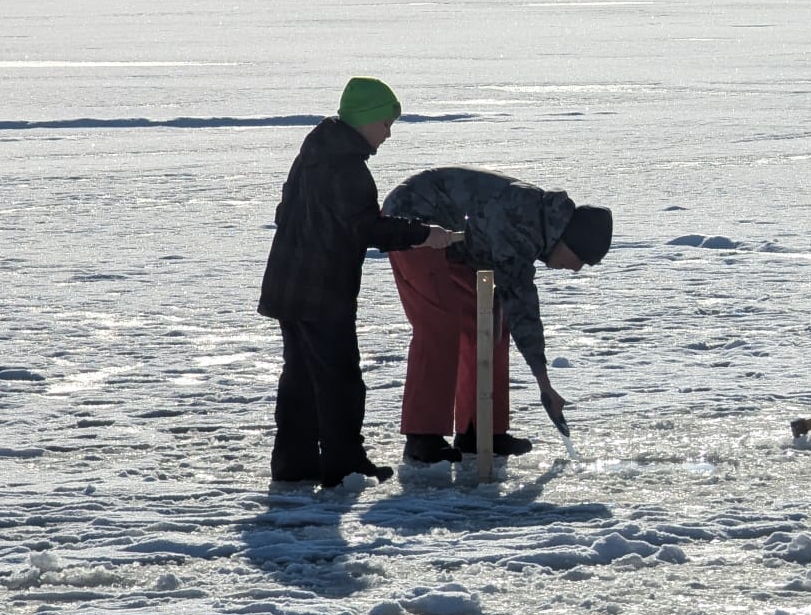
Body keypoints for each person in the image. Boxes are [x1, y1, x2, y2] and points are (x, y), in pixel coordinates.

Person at [258, 77, 460, 487]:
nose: (388, 134)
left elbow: (289, 213)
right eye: (385, 124)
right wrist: (425, 234)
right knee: (340, 380)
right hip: (321, 292)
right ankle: (346, 465)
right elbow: (365, 228)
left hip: (287, 285)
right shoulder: (347, 167)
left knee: (300, 378)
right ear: (365, 120)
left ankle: (294, 464)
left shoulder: (314, 153)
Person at [379, 166, 613, 464]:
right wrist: (544, 384)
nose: (577, 269)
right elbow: (523, 307)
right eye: (581, 259)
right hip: (413, 219)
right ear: (569, 240)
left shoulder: (541, 224)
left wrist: (544, 383)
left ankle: (480, 430)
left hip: (459, 244)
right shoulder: (523, 225)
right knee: (440, 324)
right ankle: (422, 436)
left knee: (491, 323)